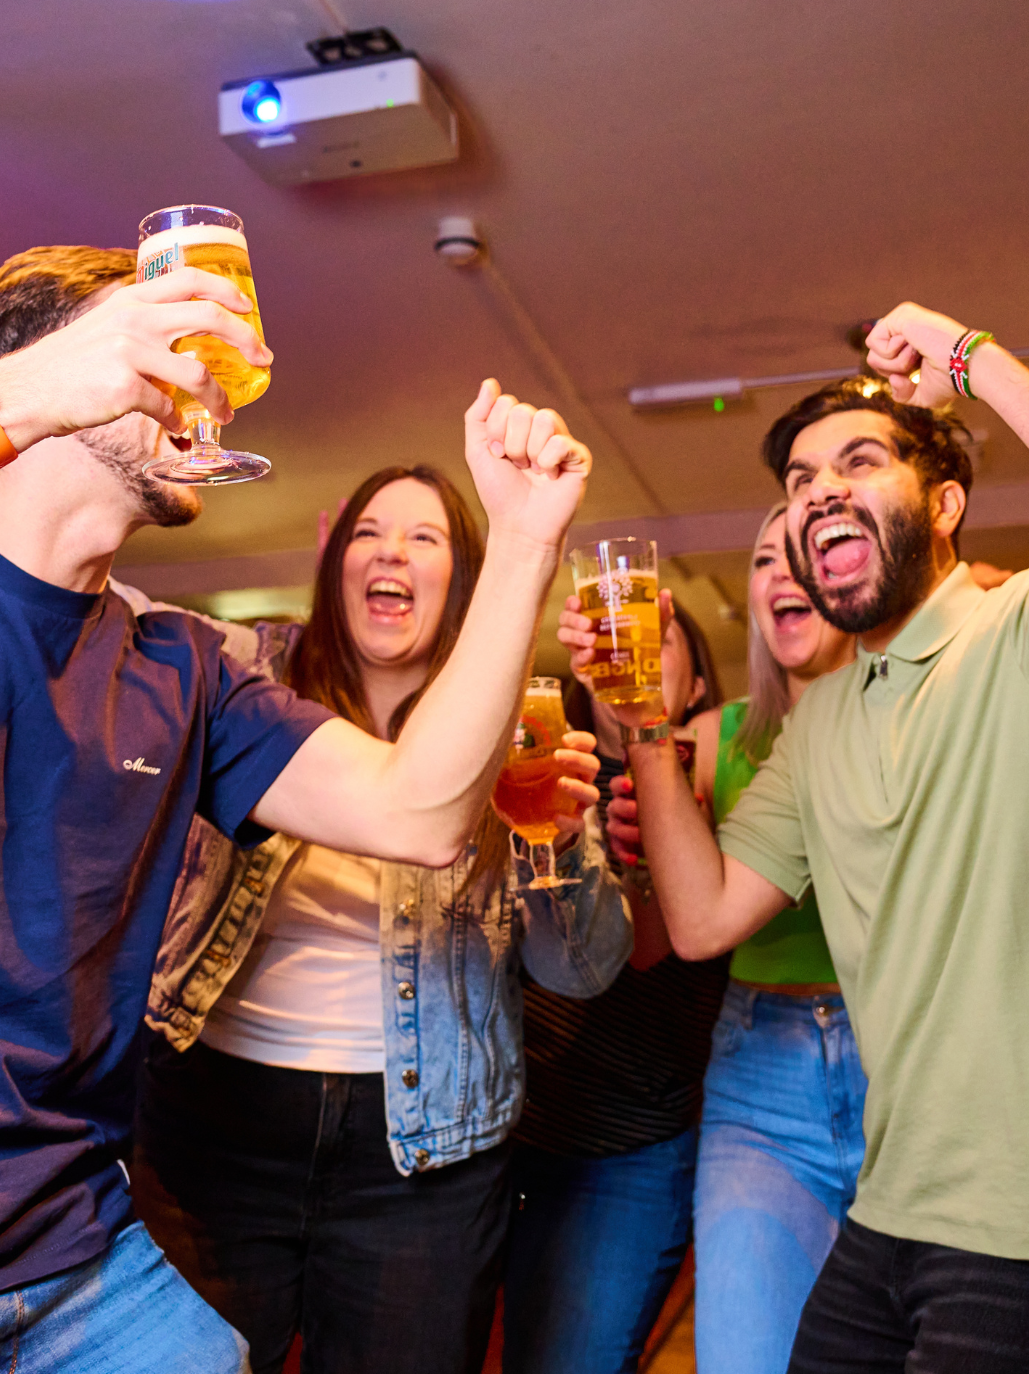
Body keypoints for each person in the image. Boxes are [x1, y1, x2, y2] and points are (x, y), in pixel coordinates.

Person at [566, 300, 1029, 1373]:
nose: (819, 490)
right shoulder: (821, 720)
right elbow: (701, 922)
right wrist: (647, 722)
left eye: (860, 459)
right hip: (897, 1208)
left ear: (945, 504)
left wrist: (984, 368)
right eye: (796, 483)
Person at [0, 245, 590, 1372]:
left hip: (70, 1249)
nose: (206, 384)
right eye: (158, 342)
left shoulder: (183, 666)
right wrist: (23, 394)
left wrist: (520, 544)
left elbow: (421, 814)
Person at [117, 464, 631, 1374]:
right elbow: (111, 606)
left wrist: (552, 845)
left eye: (424, 538)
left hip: (426, 1153)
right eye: (368, 533)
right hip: (216, 1122)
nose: (391, 550)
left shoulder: (519, 726)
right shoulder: (246, 671)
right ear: (335, 563)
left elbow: (580, 971)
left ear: (466, 583)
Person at [601, 503, 863, 1374]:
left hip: (906, 1053)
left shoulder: (914, 724)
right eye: (762, 560)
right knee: (744, 1355)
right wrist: (637, 856)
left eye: (805, 554)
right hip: (762, 1073)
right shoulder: (711, 740)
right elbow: (654, 946)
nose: (781, 574)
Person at [501, 604, 727, 1374]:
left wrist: (654, 848)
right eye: (613, 641)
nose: (627, 654)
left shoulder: (715, 778)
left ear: (696, 684)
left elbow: (643, 956)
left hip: (624, 1151)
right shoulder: (539, 765)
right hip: (502, 1133)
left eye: (655, 642)